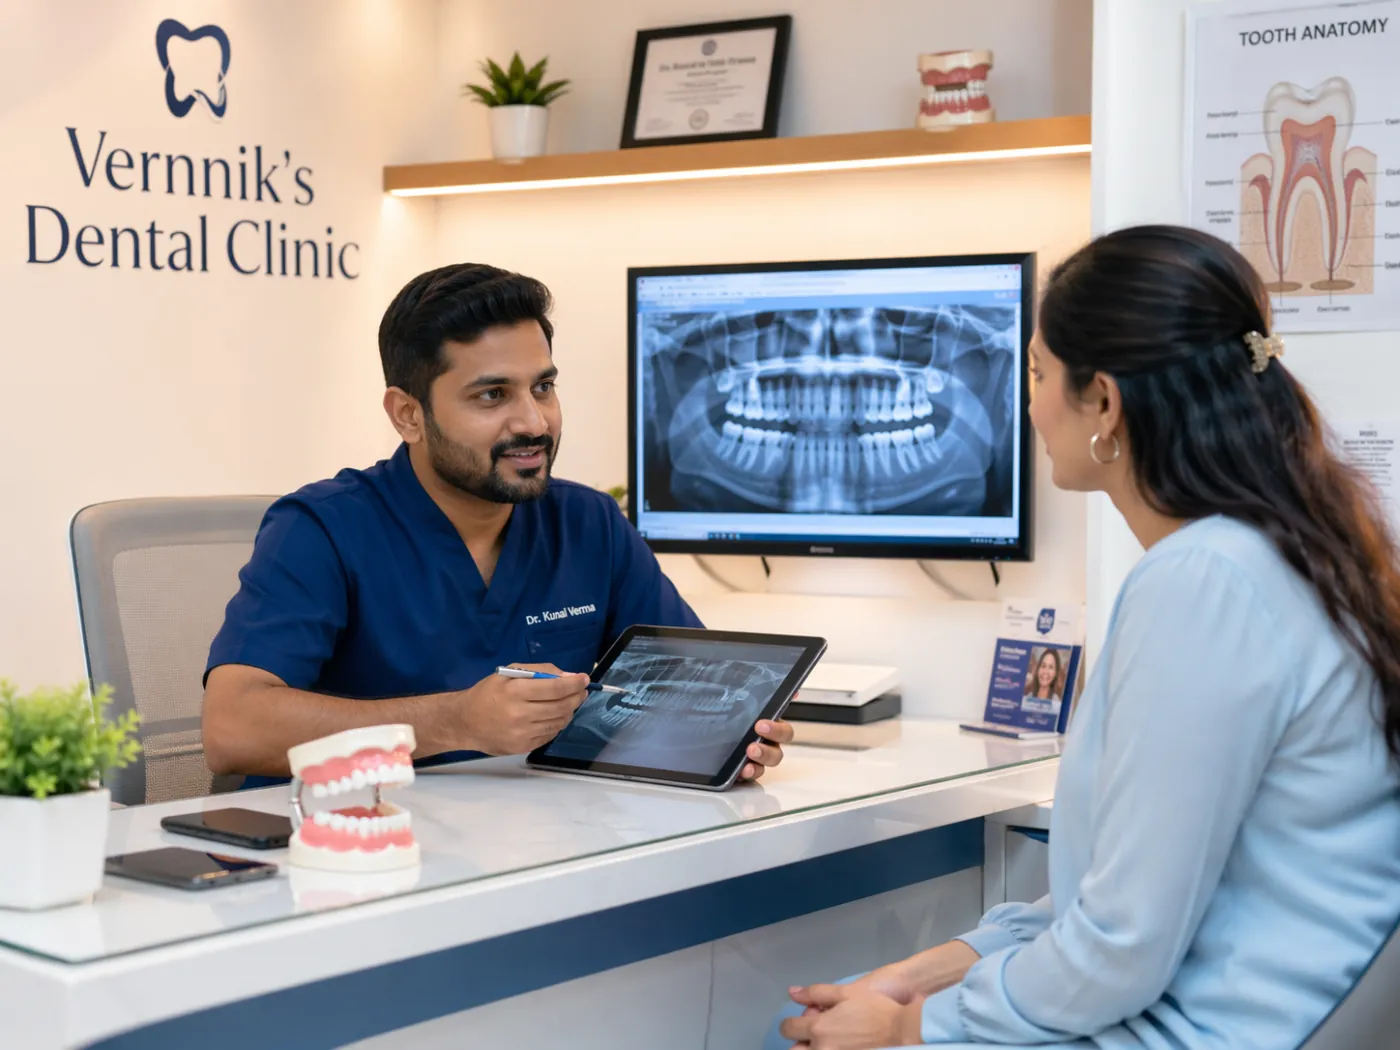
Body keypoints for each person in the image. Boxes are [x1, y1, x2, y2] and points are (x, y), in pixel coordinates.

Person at [767, 225, 1400, 1049]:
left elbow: (1118, 948)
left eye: (1036, 373)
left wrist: (908, 1030)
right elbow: (1106, 902)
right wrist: (907, 980)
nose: (1028, 403)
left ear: (1103, 399)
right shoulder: (1285, 548)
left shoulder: (1203, 582)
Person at [202, 263, 792, 784]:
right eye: (492, 396)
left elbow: (687, 687)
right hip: (356, 859)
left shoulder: (588, 523)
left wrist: (729, 743)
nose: (533, 421)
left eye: (544, 387)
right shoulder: (322, 529)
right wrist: (453, 721)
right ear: (408, 414)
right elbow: (233, 730)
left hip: (542, 850)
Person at [1019, 647, 1062, 715]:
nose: (1045, 671)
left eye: (1051, 667)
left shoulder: (1056, 702)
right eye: (1043, 666)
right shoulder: (1028, 697)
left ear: (1055, 673)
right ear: (1038, 669)